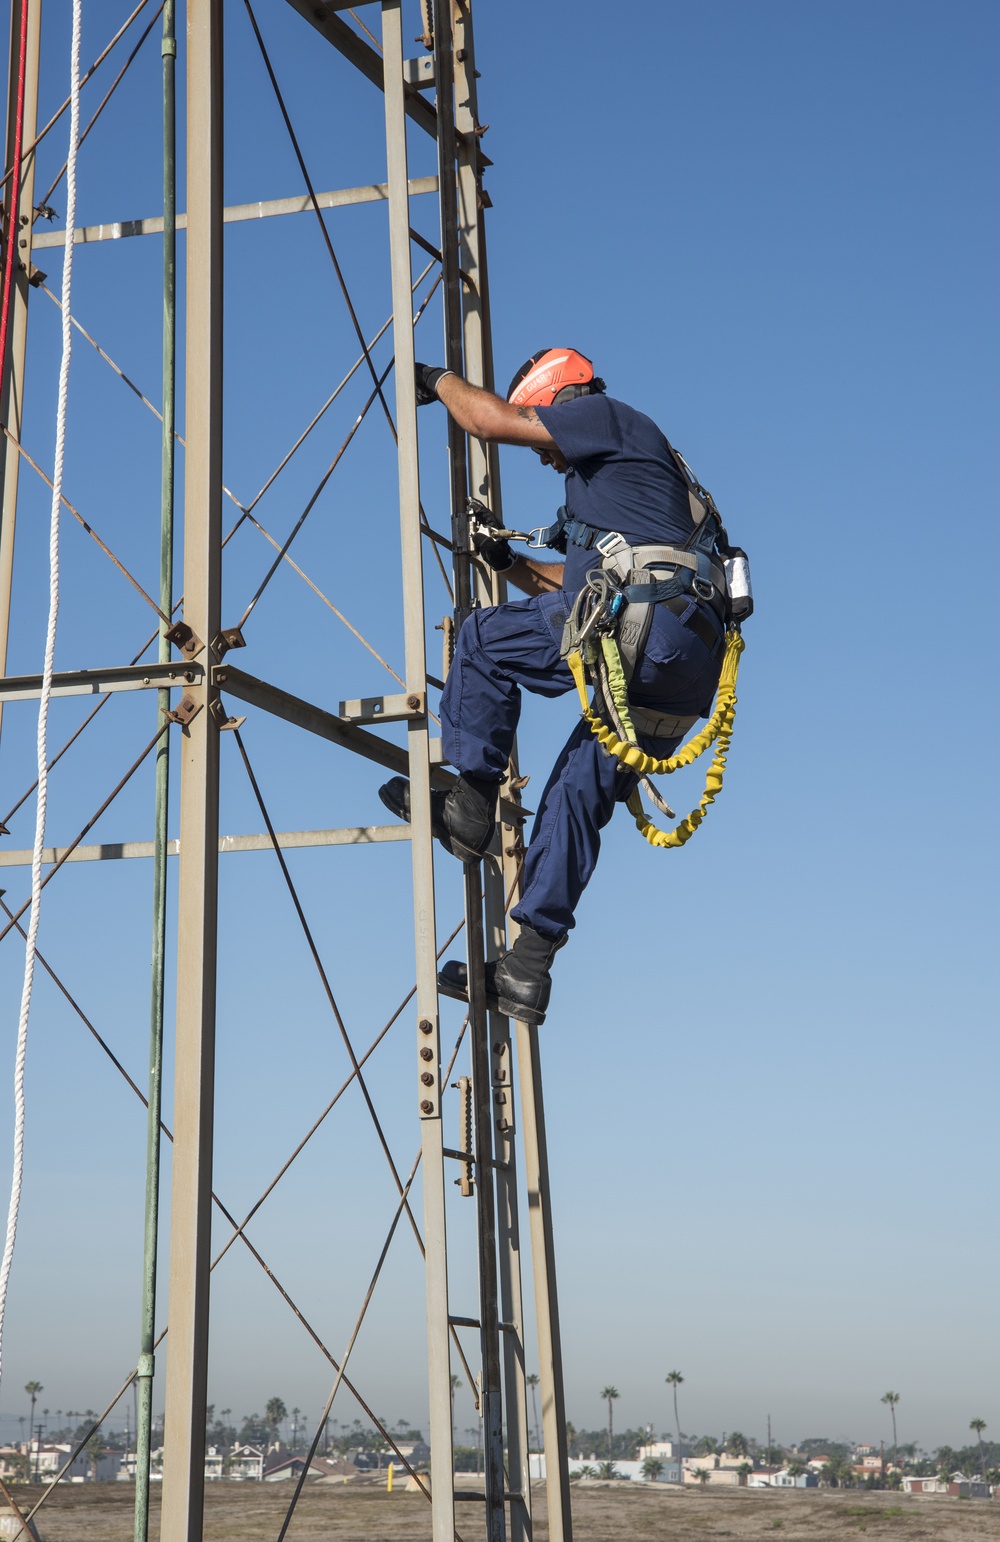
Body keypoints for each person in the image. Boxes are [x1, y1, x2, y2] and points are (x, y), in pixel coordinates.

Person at [379, 348, 726, 1025]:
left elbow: (487, 422)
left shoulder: (607, 416)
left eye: (543, 427)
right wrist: (510, 563)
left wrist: (432, 380)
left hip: (645, 626)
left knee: (480, 639)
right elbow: (577, 588)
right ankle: (525, 971)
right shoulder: (638, 482)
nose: (544, 454)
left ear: (559, 397)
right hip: (684, 661)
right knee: (572, 793)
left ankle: (469, 811)